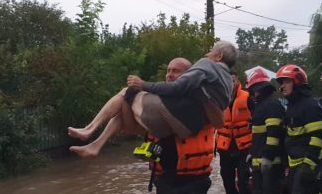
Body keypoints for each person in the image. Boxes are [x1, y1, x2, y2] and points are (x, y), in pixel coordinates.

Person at [67, 41, 237, 157]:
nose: (208, 54)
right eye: (168, 71)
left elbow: (178, 88)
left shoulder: (206, 66)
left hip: (172, 122)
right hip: (171, 148)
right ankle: (95, 145)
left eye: (212, 51)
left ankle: (89, 130)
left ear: (219, 56)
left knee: (128, 90)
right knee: (123, 106)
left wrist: (143, 84)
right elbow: (131, 130)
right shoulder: (228, 82)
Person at [276, 64, 322, 194]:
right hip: (296, 164)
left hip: (306, 164)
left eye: (286, 81)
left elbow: (319, 136)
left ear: (297, 82)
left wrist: (308, 164)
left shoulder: (309, 106)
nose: (282, 86)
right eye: (281, 82)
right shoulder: (293, 106)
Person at [145, 57, 192, 194]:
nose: (170, 75)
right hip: (162, 171)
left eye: (175, 71)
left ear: (188, 76)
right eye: (168, 70)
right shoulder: (154, 98)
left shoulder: (195, 100)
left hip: (188, 173)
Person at [244, 66, 287, 194]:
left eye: (253, 90)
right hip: (258, 158)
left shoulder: (272, 105)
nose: (252, 94)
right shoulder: (259, 106)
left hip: (271, 161)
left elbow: (274, 133)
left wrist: (268, 157)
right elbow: (257, 136)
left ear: (260, 88)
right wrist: (250, 153)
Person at [215, 70, 252, 194]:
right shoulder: (217, 99)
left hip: (244, 147)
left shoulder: (248, 97)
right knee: (227, 181)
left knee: (243, 181)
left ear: (237, 81)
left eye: (232, 80)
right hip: (225, 148)